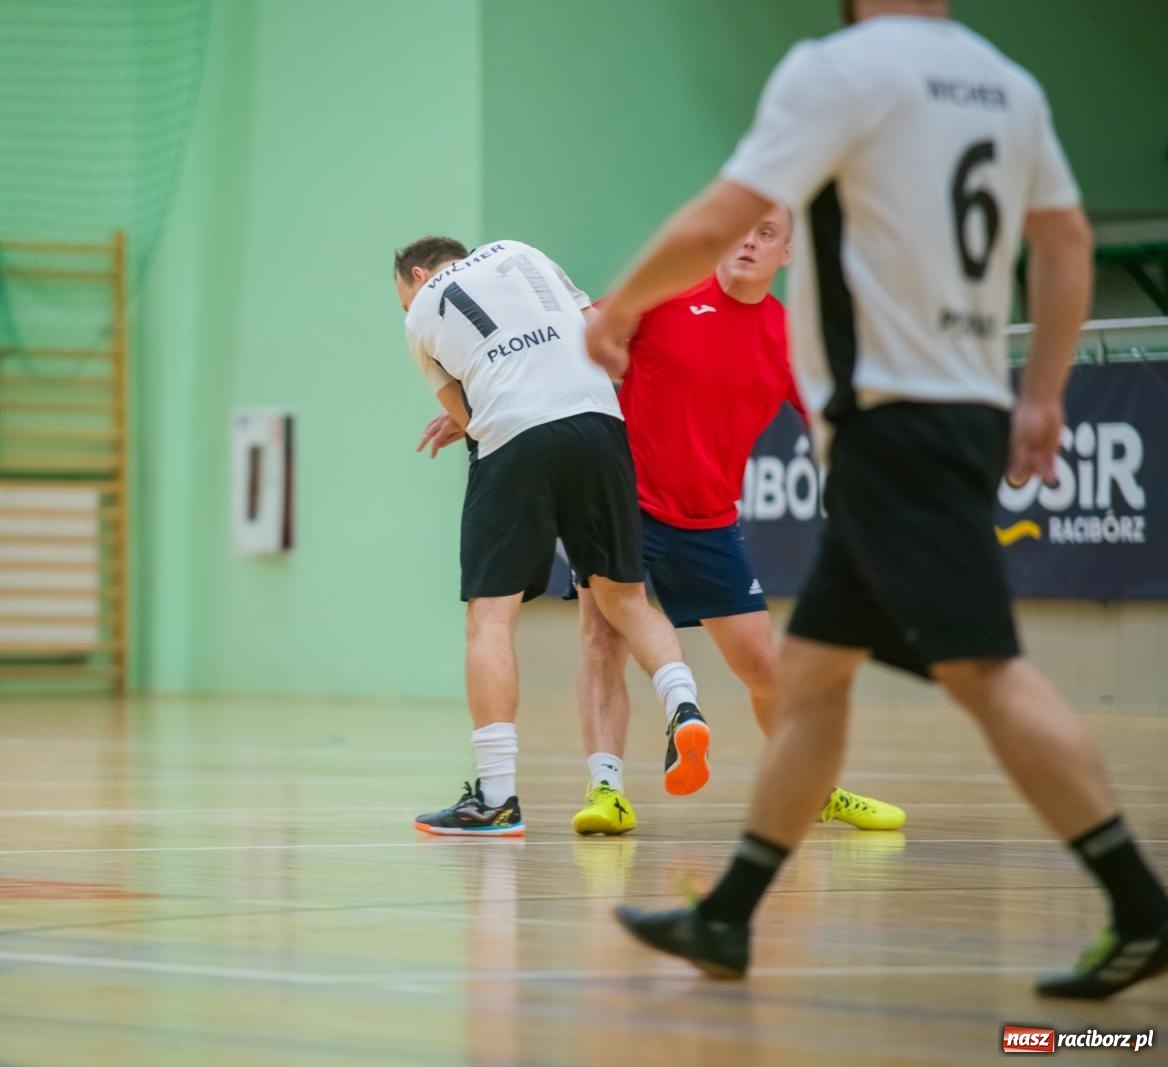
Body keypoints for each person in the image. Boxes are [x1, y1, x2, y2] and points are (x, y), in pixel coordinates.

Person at [597, 0, 1168, 999]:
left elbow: (720, 215)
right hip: (951, 413)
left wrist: (615, 304)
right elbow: (1066, 241)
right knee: (810, 679)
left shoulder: (838, 71)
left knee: (987, 673)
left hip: (893, 425)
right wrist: (1038, 391)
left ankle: (1141, 905)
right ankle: (728, 913)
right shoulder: (1006, 83)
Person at [576, 204, 904, 834]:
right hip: (626, 500)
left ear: (786, 255)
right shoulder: (665, 290)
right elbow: (577, 341)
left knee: (764, 665)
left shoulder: (788, 338)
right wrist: (484, 404)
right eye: (740, 230)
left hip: (709, 520)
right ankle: (607, 791)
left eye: (766, 235)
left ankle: (813, 788)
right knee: (602, 636)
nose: (748, 243)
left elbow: (837, 427)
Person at [394, 235, 704, 836]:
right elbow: (599, 333)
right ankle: (683, 703)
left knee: (490, 619)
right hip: (598, 420)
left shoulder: (421, 313)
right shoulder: (523, 251)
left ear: (415, 274)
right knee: (624, 599)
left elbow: (468, 418)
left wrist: (496, 407)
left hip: (514, 435)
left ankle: (497, 800)